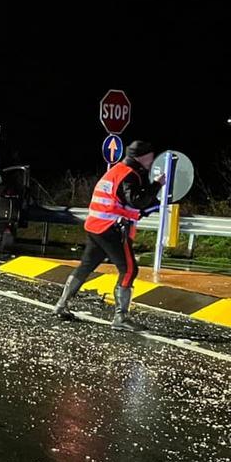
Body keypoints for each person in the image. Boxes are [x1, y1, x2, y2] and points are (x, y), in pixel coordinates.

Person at [51, 139, 165, 331]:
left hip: (95, 225)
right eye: (150, 157)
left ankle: (61, 305)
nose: (152, 160)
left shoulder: (117, 170)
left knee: (86, 265)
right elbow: (136, 201)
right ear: (142, 157)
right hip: (110, 228)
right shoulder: (129, 175)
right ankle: (121, 318)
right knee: (129, 270)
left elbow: (121, 203)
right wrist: (156, 185)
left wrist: (143, 208)